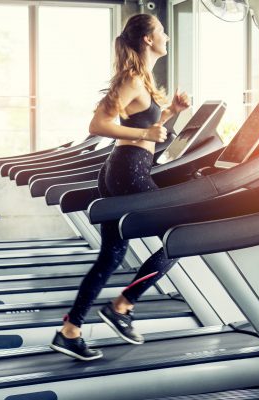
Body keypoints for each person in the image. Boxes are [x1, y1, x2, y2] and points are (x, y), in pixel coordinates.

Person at [50, 13, 190, 361]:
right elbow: (98, 123)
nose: (167, 37)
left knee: (112, 255)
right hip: (129, 169)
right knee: (181, 237)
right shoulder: (131, 79)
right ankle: (122, 306)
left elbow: (143, 123)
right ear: (147, 39)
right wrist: (145, 133)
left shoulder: (142, 80)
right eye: (162, 32)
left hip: (124, 167)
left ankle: (70, 331)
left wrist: (171, 111)